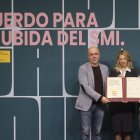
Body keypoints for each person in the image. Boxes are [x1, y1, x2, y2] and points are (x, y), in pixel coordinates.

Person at [75, 46, 110, 140]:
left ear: (99, 55)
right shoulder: (82, 68)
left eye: (96, 54)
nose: (94, 56)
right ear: (88, 56)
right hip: (86, 105)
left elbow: (108, 85)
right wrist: (100, 97)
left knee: (97, 132)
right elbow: (85, 87)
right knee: (85, 132)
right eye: (91, 54)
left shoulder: (105, 68)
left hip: (100, 106)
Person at [109, 49, 138, 140]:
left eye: (124, 58)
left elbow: (135, 89)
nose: (122, 61)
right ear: (118, 60)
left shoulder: (134, 72)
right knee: (117, 132)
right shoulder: (114, 71)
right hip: (116, 107)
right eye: (120, 59)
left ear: (128, 60)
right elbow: (111, 88)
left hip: (129, 107)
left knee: (127, 132)